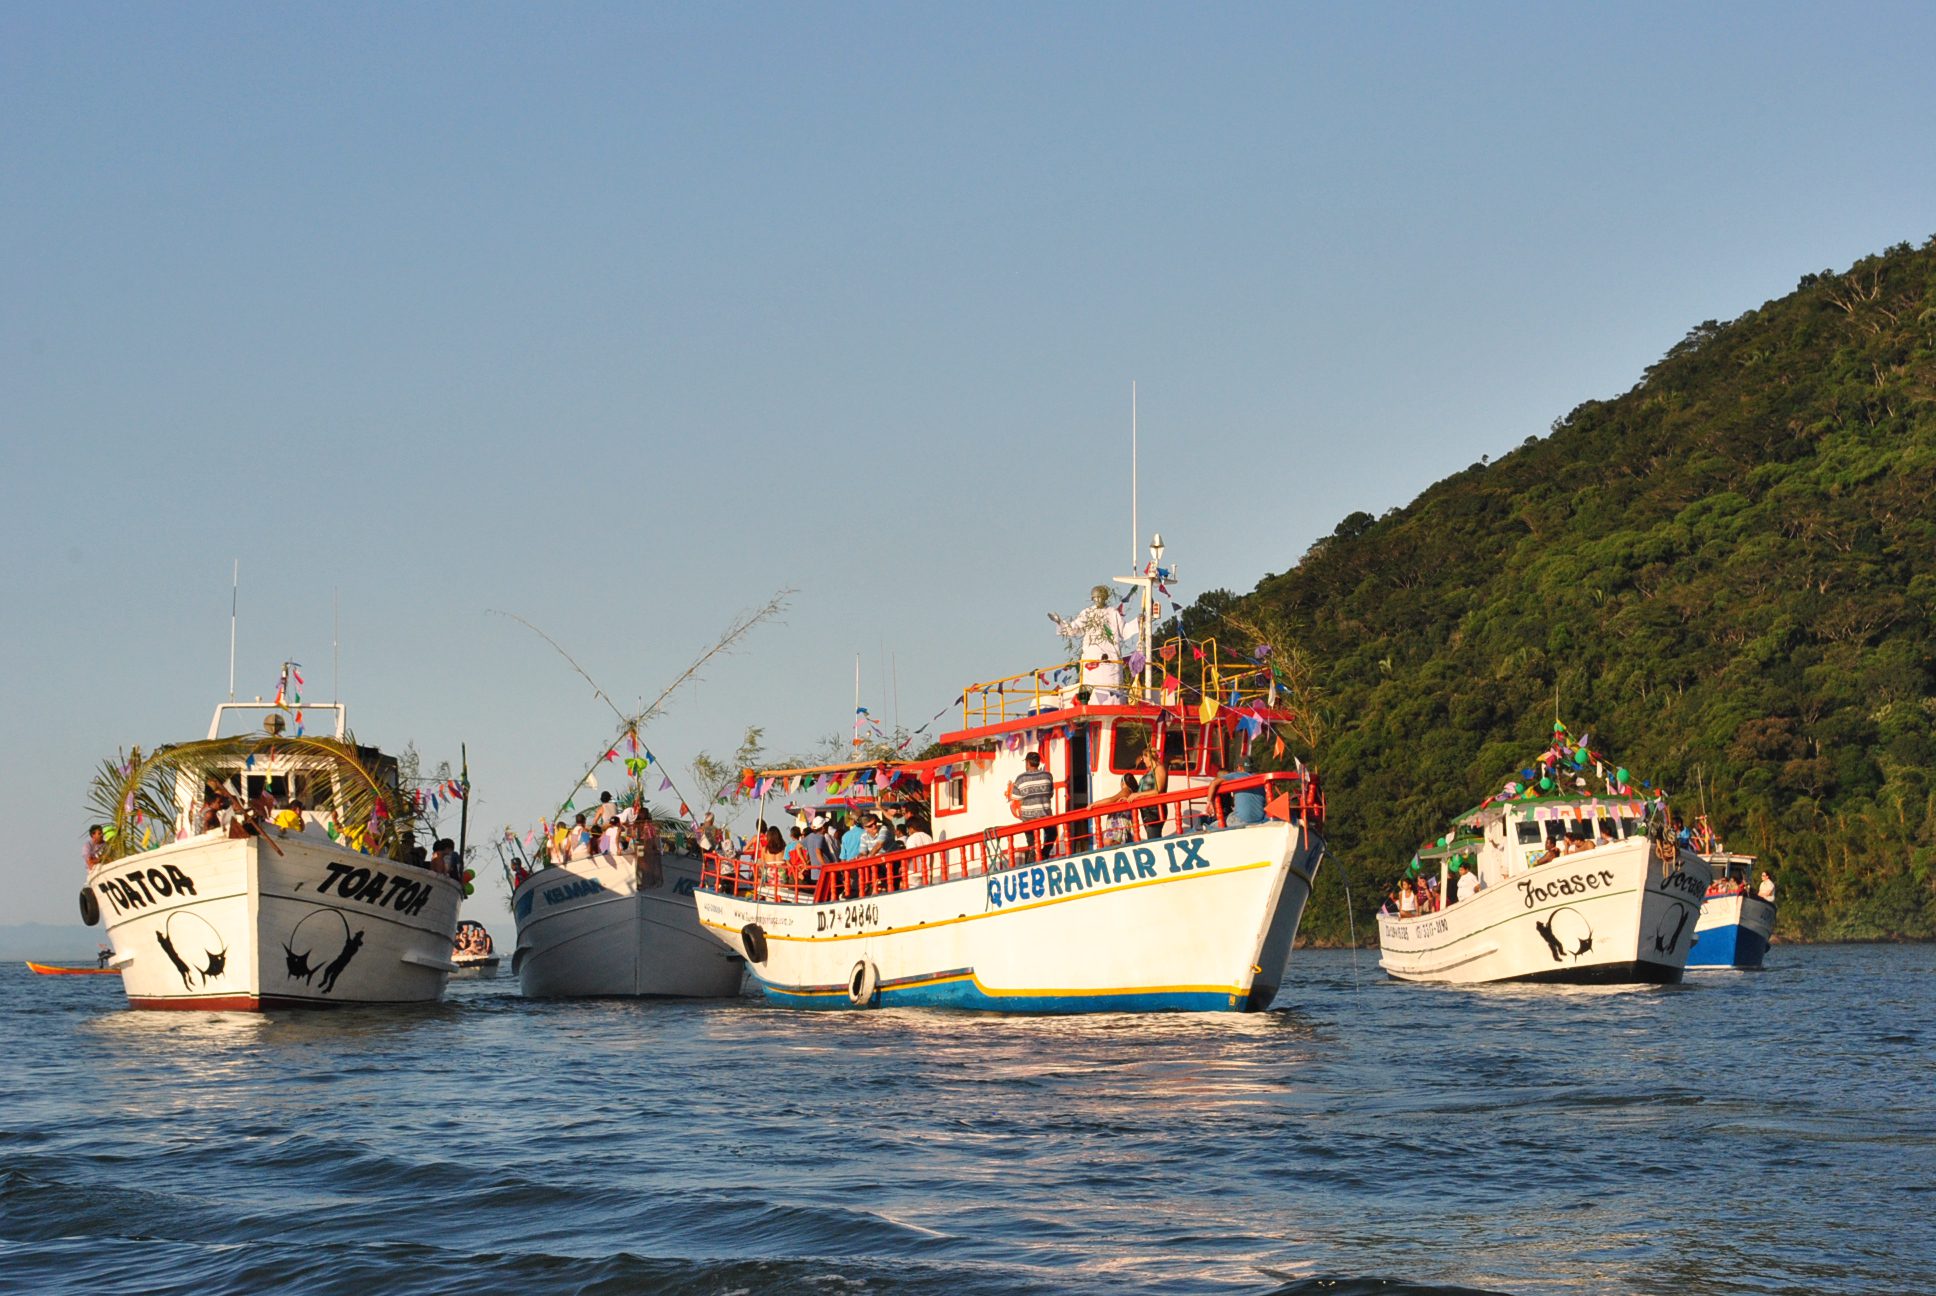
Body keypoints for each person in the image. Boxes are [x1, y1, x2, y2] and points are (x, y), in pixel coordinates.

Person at [1049, 584, 1128, 703]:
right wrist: (1060, 622)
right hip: (1090, 662)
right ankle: (1085, 703)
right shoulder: (1087, 613)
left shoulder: (1113, 613)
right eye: (1095, 598)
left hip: (1111, 663)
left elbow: (1124, 631)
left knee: (1113, 695)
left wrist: (1139, 622)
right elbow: (1073, 629)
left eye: (1099, 597)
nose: (1097, 600)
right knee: (1089, 693)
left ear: (1105, 597)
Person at [1007, 752, 1055, 860]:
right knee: (1052, 833)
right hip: (1045, 814)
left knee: (1031, 839)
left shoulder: (1020, 778)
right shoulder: (1048, 776)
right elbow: (1050, 794)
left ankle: (1033, 853)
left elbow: (1015, 798)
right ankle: (1044, 853)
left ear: (1028, 763)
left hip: (1028, 818)